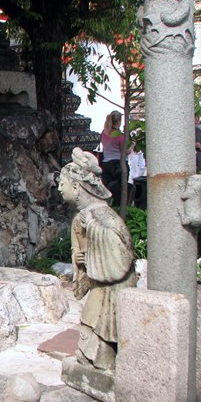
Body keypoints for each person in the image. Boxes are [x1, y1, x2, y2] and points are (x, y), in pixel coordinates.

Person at [58, 148, 136, 371]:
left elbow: (120, 252)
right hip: (100, 283)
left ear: (76, 187)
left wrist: (91, 229)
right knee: (90, 322)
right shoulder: (86, 215)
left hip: (112, 285)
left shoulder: (100, 214)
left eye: (62, 183)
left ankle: (102, 363)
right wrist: (79, 258)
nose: (59, 188)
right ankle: (95, 361)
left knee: (100, 325)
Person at [100, 110, 132, 207]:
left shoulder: (104, 132)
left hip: (106, 164)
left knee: (108, 190)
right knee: (120, 191)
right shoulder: (119, 135)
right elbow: (125, 152)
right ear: (119, 121)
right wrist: (133, 145)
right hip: (118, 165)